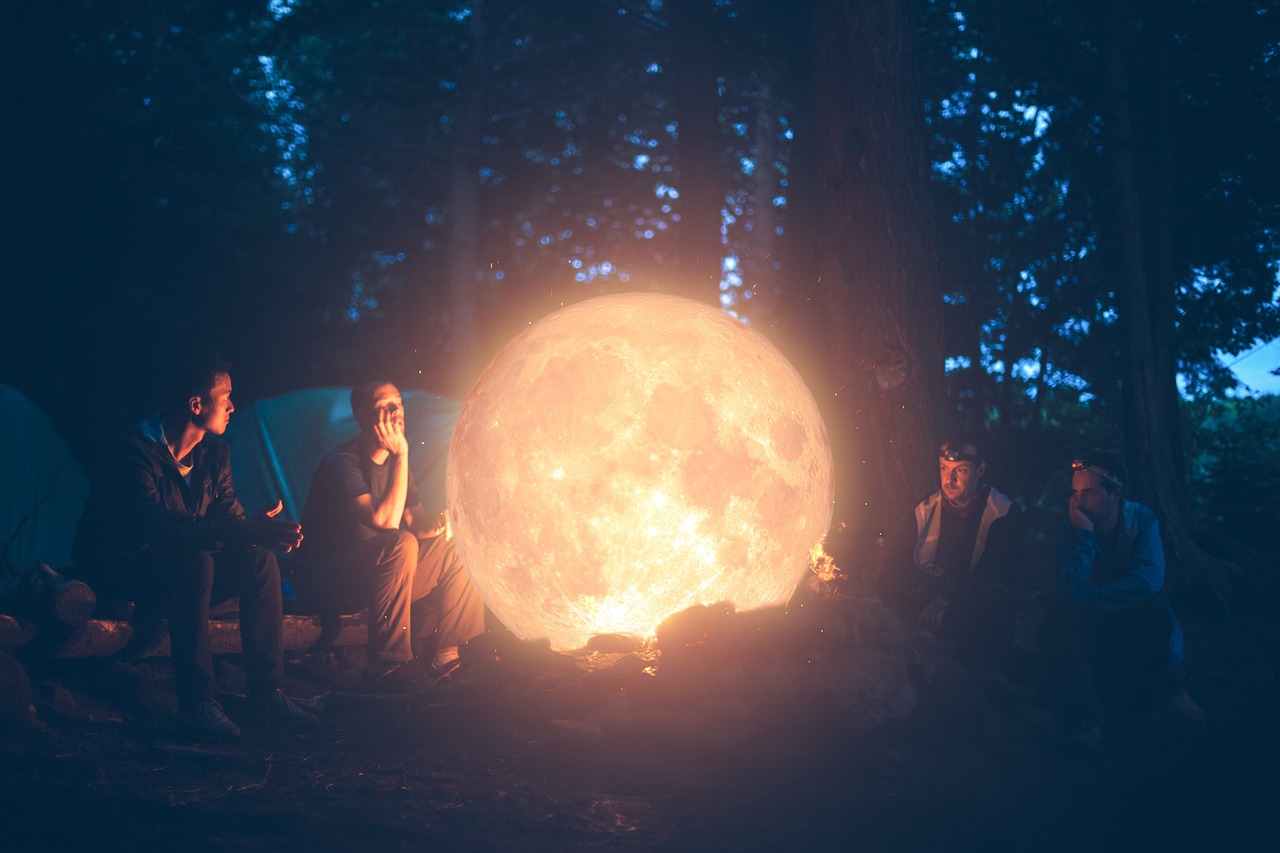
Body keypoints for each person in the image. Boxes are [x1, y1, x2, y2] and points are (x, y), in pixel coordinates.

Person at [71, 352, 317, 739]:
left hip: (177, 572)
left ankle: (268, 694)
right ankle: (197, 705)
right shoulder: (134, 453)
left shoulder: (213, 453)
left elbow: (227, 517)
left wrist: (255, 531)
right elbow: (157, 528)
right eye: (226, 397)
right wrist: (240, 530)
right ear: (196, 404)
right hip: (121, 574)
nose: (233, 406)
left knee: (258, 562)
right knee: (196, 563)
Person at [294, 380, 485, 691]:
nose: (397, 412)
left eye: (399, 403)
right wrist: (403, 454)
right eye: (385, 406)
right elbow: (385, 521)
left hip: (381, 579)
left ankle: (449, 655)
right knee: (400, 542)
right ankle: (388, 664)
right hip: (330, 583)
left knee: (458, 545)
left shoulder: (398, 468)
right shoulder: (341, 464)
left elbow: (419, 523)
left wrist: (447, 522)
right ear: (361, 415)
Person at [1039, 450, 1192, 744]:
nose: (1079, 502)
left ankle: (1150, 710)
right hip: (1088, 621)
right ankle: (1090, 719)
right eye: (1074, 493)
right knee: (1054, 623)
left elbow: (1148, 580)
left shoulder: (1140, 520)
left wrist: (1095, 598)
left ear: (1116, 494)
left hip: (1128, 615)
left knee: (1149, 615)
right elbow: (1067, 590)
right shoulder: (1071, 525)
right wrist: (1083, 536)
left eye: (1089, 493)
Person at [877, 432, 1025, 667]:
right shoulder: (925, 511)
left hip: (973, 611)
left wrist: (950, 595)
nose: (949, 479)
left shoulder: (1002, 514)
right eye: (944, 468)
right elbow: (893, 570)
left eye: (961, 470)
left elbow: (1001, 580)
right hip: (924, 599)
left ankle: (971, 675)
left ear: (981, 470)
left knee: (992, 602)